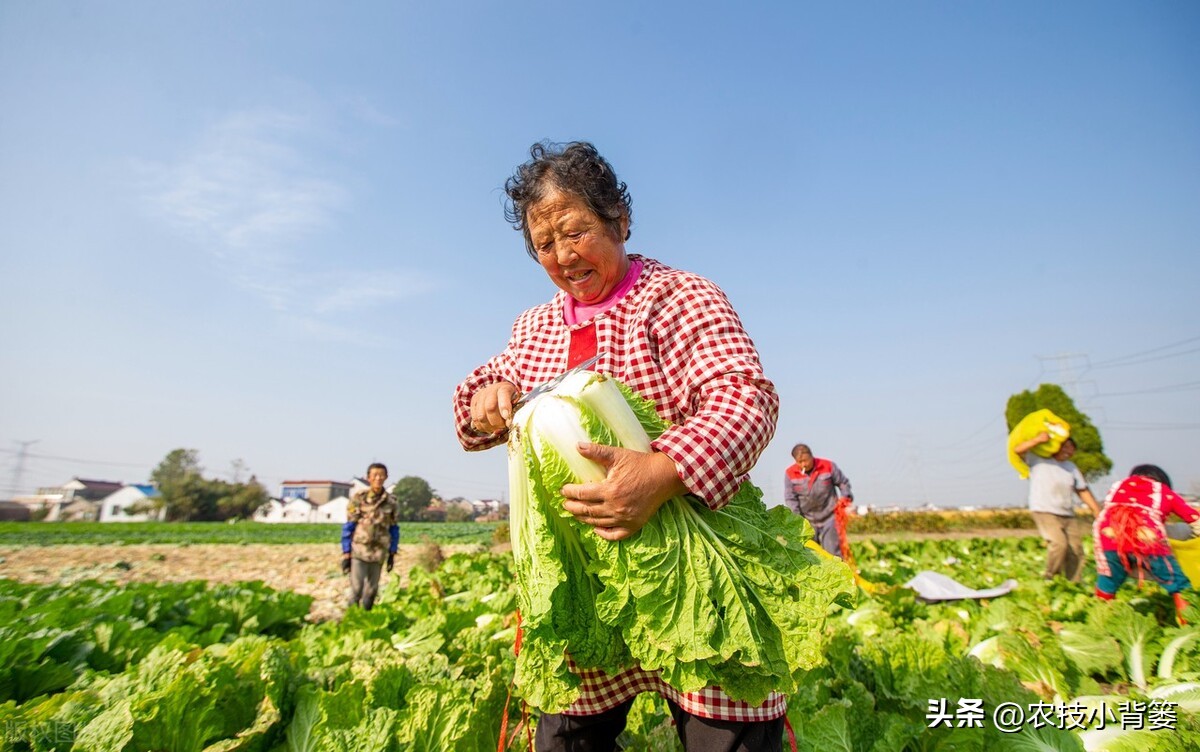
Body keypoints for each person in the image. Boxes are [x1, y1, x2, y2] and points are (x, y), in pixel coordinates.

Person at [452, 142, 782, 752]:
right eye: (545, 245)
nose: (563, 255)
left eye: (576, 232)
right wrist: (484, 398)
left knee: (728, 731)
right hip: (581, 577)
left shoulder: (679, 296)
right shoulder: (536, 325)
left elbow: (745, 398)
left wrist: (663, 470)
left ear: (620, 221)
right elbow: (478, 396)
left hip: (691, 556)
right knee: (565, 740)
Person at [1093, 464, 1200, 624]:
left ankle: (1100, 625)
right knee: (1179, 585)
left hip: (1108, 538)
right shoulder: (1165, 492)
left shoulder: (1118, 487)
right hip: (1147, 539)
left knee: (1107, 584)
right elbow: (1194, 518)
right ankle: (1190, 624)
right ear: (1163, 482)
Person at [1011, 433, 1101, 581]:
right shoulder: (1039, 460)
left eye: (1071, 448)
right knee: (1059, 544)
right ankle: (1050, 578)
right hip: (1045, 510)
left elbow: (1082, 490)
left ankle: (1074, 583)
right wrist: (1038, 439)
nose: (1068, 450)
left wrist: (1097, 511)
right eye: (1064, 446)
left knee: (1076, 549)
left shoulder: (1071, 467)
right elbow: (1018, 450)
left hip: (1067, 512)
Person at [341, 462, 399, 611]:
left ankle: (366, 620)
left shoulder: (391, 501)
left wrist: (392, 553)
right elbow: (349, 526)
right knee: (356, 589)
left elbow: (394, 528)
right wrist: (346, 553)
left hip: (379, 552)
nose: (378, 478)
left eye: (381, 475)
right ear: (368, 478)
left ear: (386, 477)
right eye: (375, 475)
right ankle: (351, 620)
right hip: (359, 550)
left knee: (371, 590)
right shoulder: (359, 498)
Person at [783, 443, 853, 557]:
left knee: (833, 554)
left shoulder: (827, 466)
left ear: (811, 456)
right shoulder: (790, 473)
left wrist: (846, 498)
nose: (804, 464)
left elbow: (843, 483)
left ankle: (837, 574)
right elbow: (790, 498)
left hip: (830, 517)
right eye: (800, 462)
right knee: (811, 555)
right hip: (807, 520)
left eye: (806, 460)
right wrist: (798, 519)